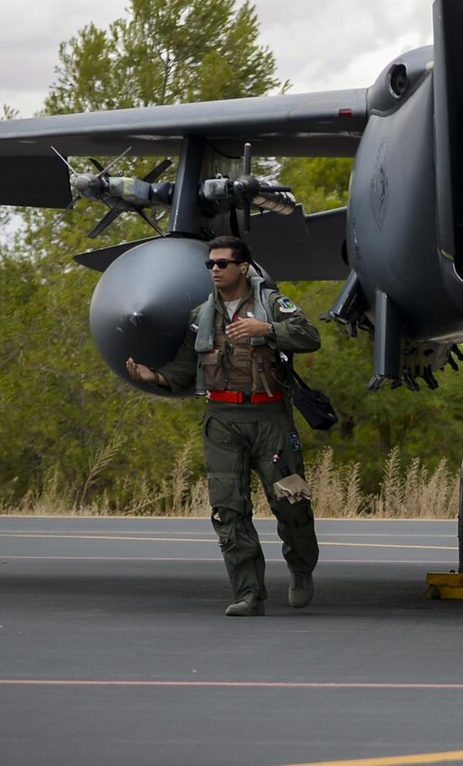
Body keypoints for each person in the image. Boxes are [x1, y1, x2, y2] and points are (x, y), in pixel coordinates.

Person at [128, 235, 321, 617]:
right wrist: (156, 378)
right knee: (228, 510)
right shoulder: (202, 316)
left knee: (290, 503)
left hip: (269, 419)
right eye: (210, 264)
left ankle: (301, 569)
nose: (214, 270)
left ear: (243, 267)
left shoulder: (272, 304)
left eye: (222, 264)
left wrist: (265, 330)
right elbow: (188, 367)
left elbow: (309, 336)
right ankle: (249, 593)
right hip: (222, 420)